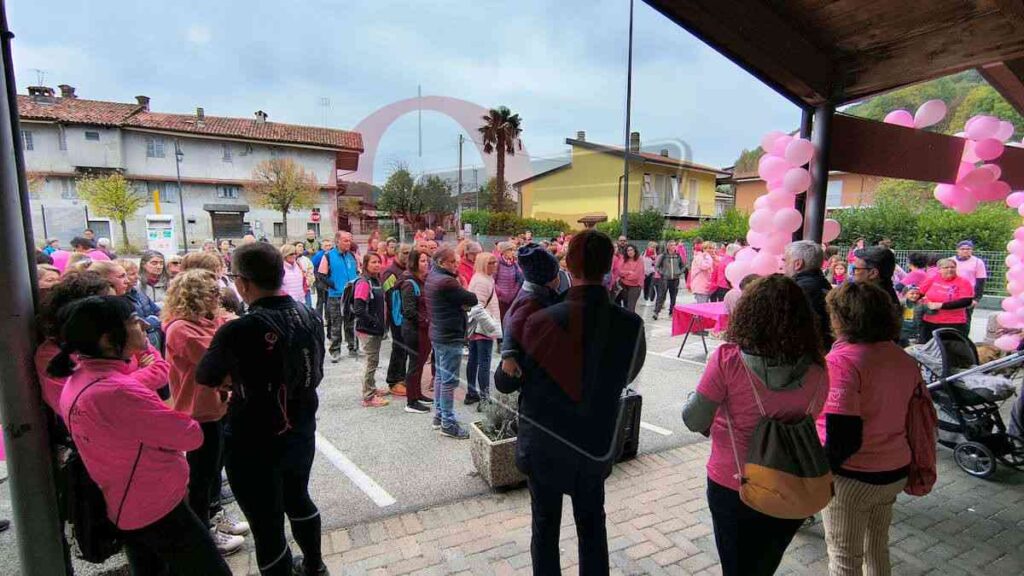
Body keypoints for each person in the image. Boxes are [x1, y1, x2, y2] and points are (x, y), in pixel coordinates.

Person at [496, 229, 646, 575]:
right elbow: (626, 376)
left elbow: (506, 382)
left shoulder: (537, 319)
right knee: (593, 526)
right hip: (594, 443)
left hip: (545, 445)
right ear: (610, 265)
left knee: (545, 529)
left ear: (569, 266)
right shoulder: (631, 324)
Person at [51, 296, 231, 575]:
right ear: (108, 340)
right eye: (135, 322)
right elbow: (190, 435)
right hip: (156, 505)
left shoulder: (82, 379)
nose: (145, 327)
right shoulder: (116, 392)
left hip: (126, 502)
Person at [681, 274, 828, 576]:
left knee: (735, 566)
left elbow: (694, 419)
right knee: (764, 565)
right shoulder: (818, 367)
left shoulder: (727, 360)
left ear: (749, 314)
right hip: (792, 481)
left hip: (734, 482)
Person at [196, 242, 328, 576]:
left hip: (253, 436)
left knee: (266, 522)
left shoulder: (238, 328)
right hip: (300, 427)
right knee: (298, 497)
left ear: (241, 283)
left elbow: (206, 375)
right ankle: (314, 565)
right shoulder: (308, 313)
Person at [819, 282, 925, 576]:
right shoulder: (902, 357)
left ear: (842, 318)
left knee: (844, 559)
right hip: (894, 469)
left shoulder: (842, 362)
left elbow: (843, 437)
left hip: (854, 477)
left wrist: (818, 475)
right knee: (876, 547)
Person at [161, 270, 248, 556]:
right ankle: (204, 534)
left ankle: (214, 518)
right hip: (198, 411)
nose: (218, 296)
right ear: (194, 296)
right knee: (201, 477)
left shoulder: (206, 322)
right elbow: (216, 356)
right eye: (211, 292)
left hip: (216, 405)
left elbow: (229, 330)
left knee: (213, 472)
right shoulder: (181, 329)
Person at [425, 247, 479, 438]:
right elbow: (472, 299)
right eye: (452, 262)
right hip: (449, 336)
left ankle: (439, 416)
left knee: (441, 377)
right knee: (448, 381)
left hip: (439, 333)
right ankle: (448, 423)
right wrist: (462, 286)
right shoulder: (447, 281)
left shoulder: (433, 276)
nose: (456, 265)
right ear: (441, 263)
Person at [353, 252, 390, 407]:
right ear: (365, 265)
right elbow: (359, 309)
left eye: (378, 262)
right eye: (373, 262)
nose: (377, 265)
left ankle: (372, 388)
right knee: (371, 362)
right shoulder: (363, 283)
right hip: (368, 330)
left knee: (373, 361)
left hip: (375, 329)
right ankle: (368, 397)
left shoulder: (376, 280)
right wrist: (375, 323)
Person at [400, 249, 434, 414]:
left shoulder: (421, 280)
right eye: (422, 261)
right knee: (414, 365)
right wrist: (426, 321)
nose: (425, 264)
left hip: (423, 330)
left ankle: (417, 393)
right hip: (414, 331)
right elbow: (409, 311)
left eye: (426, 261)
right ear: (414, 263)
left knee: (420, 364)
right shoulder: (409, 283)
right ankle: (411, 401)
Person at [784, 240, 834, 350]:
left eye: (785, 261)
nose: (783, 266)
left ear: (798, 264)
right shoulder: (823, 283)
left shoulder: (795, 289)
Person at [465, 252, 501, 406]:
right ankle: (484, 397)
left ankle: (472, 393)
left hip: (479, 326)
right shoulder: (482, 281)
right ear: (482, 264)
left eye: (495, 262)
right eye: (490, 263)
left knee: (474, 360)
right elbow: (477, 307)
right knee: (483, 362)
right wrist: (493, 327)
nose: (495, 265)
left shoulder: (482, 278)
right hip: (483, 327)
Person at [318, 231, 360, 361]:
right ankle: (335, 350)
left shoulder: (352, 255)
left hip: (351, 295)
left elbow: (358, 271)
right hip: (335, 296)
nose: (349, 243)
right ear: (338, 241)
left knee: (351, 322)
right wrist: (334, 286)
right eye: (346, 240)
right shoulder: (328, 256)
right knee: (336, 324)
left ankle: (353, 347)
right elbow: (321, 275)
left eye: (349, 240)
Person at [919, 258, 975, 342]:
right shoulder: (932, 279)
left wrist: (941, 305)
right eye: (946, 267)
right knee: (927, 347)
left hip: (953, 322)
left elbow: (966, 301)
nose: (950, 269)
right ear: (939, 270)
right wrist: (922, 301)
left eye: (952, 267)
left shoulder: (963, 282)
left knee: (949, 348)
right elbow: (920, 293)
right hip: (930, 320)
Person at [382, 244, 411, 397]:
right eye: (404, 253)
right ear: (396, 253)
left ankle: (402, 378)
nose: (407, 255)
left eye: (409, 253)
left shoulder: (408, 270)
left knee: (405, 349)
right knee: (399, 348)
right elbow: (390, 296)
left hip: (407, 316)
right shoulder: (389, 272)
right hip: (397, 317)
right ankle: (394, 381)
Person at [653, 239, 685, 321]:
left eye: (674, 245)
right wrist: (662, 273)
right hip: (664, 279)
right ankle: (656, 312)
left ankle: (671, 312)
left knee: (673, 296)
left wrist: (679, 272)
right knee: (661, 296)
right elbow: (657, 266)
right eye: (671, 245)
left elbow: (683, 266)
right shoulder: (663, 256)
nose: (673, 247)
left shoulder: (678, 256)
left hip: (675, 279)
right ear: (667, 247)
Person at [954, 240, 987, 315]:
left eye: (968, 249)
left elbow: (981, 282)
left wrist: (976, 299)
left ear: (972, 250)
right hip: (952, 293)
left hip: (968, 295)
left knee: (965, 318)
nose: (965, 251)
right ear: (957, 250)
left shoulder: (978, 262)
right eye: (962, 249)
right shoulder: (951, 260)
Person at [495, 241, 524, 322]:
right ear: (504, 251)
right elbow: (492, 280)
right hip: (501, 299)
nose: (513, 252)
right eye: (511, 250)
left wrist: (515, 291)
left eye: (514, 250)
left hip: (512, 298)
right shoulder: (497, 263)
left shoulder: (514, 264)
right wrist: (500, 292)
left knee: (509, 319)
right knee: (501, 319)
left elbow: (520, 278)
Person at [618, 244, 644, 313]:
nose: (630, 252)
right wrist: (629, 272)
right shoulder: (624, 260)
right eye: (628, 250)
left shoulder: (639, 260)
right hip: (624, 285)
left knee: (631, 307)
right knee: (625, 305)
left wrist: (624, 276)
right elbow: (619, 272)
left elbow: (636, 276)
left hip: (635, 286)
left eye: (631, 250)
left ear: (635, 251)